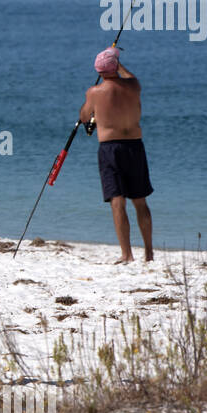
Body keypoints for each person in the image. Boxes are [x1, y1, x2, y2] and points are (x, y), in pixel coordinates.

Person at [79, 47, 154, 263]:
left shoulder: (94, 93)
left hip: (110, 149)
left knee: (117, 202)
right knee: (140, 201)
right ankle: (148, 253)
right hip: (134, 147)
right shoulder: (134, 86)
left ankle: (126, 254)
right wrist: (120, 64)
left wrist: (89, 106)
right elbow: (130, 77)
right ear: (116, 68)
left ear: (99, 70)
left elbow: (84, 117)